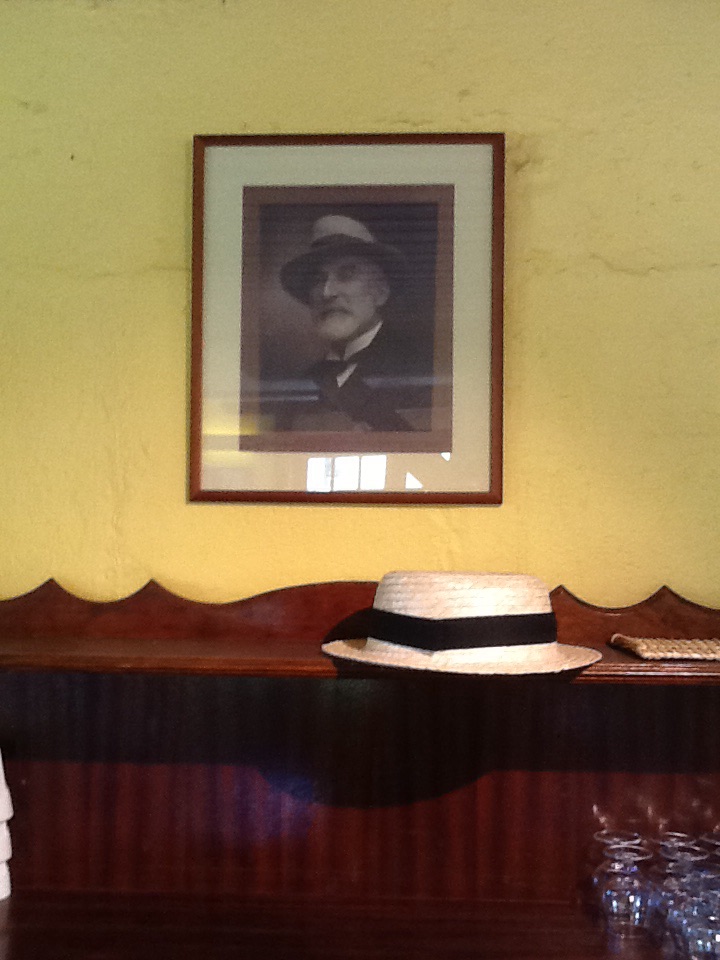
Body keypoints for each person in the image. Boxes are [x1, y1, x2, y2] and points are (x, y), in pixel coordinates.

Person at [270, 214, 433, 433]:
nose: (327, 292)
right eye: (318, 279)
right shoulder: (300, 386)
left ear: (380, 292)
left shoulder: (420, 370)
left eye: (346, 275)